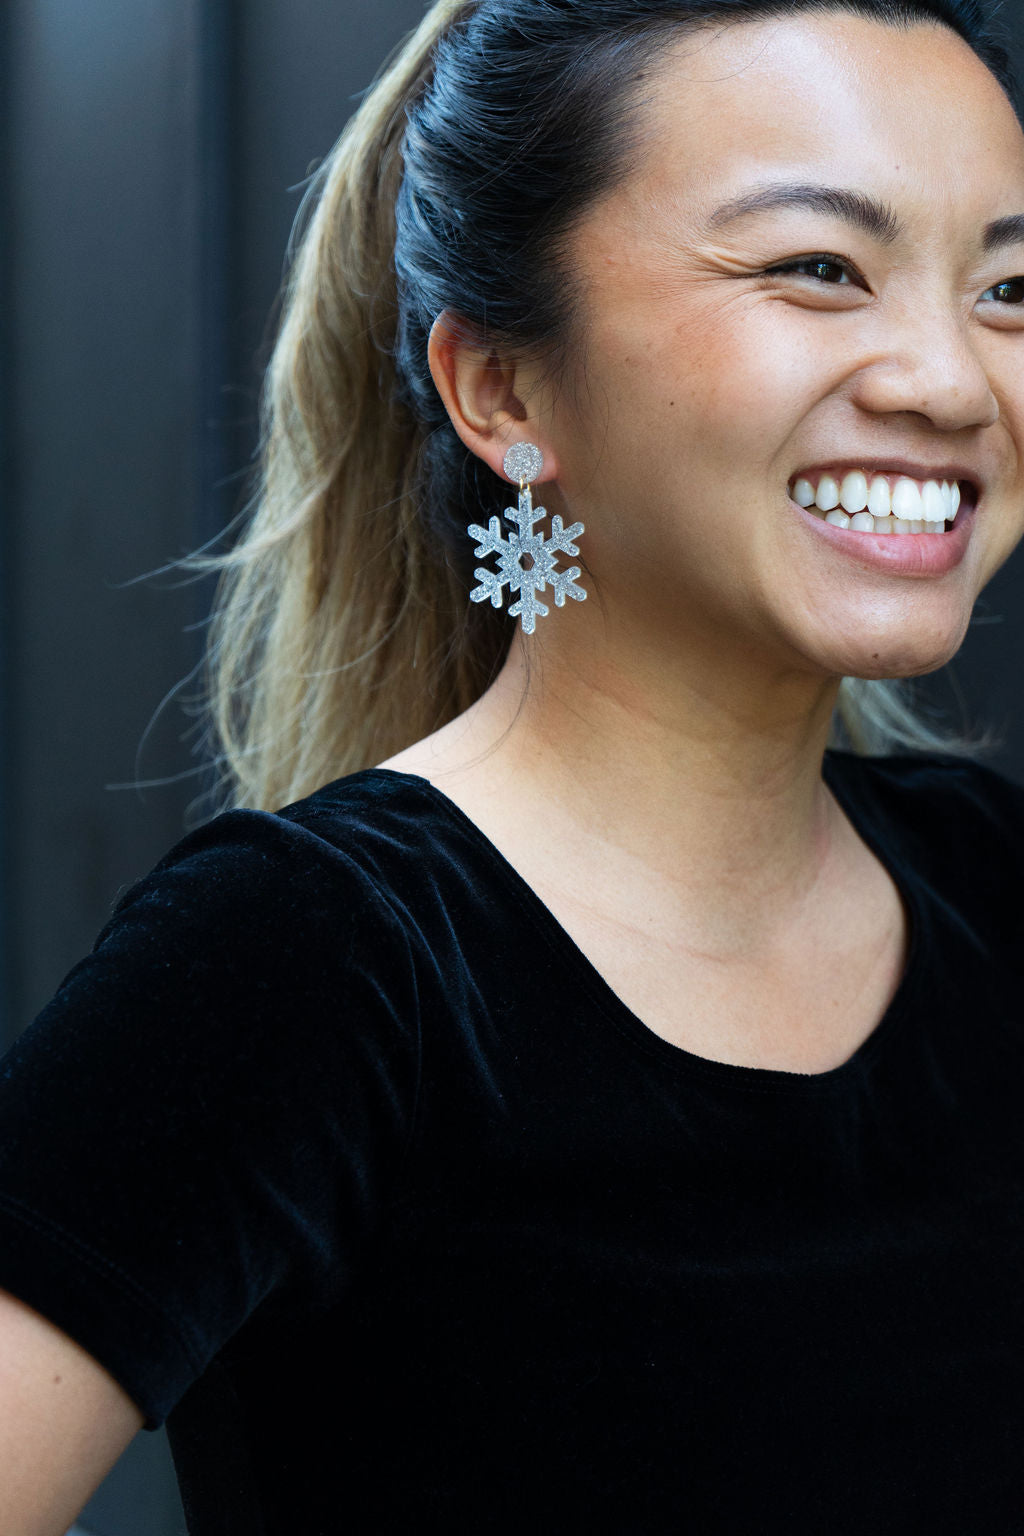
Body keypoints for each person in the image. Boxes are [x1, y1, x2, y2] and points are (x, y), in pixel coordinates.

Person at [3, 0, 1024, 1529]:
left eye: (1010, 287)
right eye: (818, 267)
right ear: (502, 390)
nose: (951, 382)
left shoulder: (995, 886)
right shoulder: (316, 961)